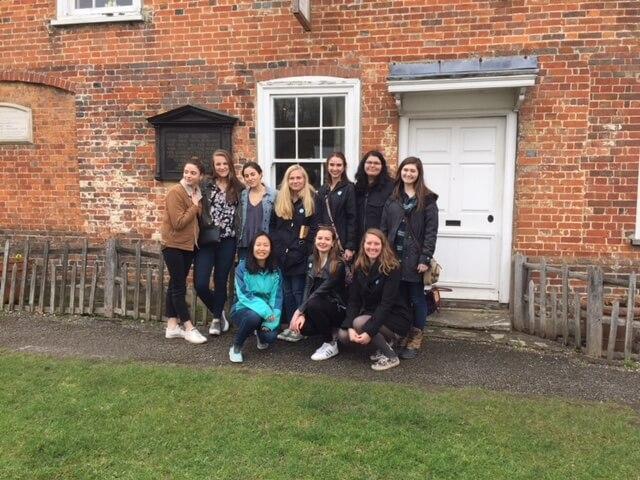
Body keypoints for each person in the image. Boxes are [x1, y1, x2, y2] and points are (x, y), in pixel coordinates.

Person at [381, 156, 439, 359]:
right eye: (405, 170)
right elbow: (384, 227)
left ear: (418, 173)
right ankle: (403, 334)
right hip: (393, 257)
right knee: (401, 298)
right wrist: (383, 254)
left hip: (415, 259)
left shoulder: (428, 200)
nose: (408, 174)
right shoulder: (393, 197)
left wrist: (424, 258)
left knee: (417, 298)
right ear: (400, 172)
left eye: (413, 171)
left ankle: (416, 336)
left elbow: (431, 232)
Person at [338, 228, 412, 371]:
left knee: (360, 323)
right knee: (343, 335)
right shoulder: (359, 266)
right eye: (369, 243)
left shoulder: (392, 267)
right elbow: (354, 301)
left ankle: (391, 356)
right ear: (363, 245)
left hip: (395, 317)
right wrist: (349, 326)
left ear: (383, 246)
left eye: (376, 244)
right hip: (373, 315)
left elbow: (386, 304)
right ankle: (383, 344)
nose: (372, 247)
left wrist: (369, 331)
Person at [194, 149, 244, 336]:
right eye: (218, 164)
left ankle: (216, 319)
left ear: (230, 164)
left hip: (228, 240)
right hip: (207, 239)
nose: (222, 167)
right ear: (214, 167)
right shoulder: (205, 185)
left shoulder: (238, 188)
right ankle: (220, 312)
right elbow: (188, 187)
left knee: (221, 280)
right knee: (200, 284)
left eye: (225, 163)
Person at [160, 159, 208, 344]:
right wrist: (195, 206)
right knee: (179, 287)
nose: (188, 175)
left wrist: (196, 204)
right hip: (173, 245)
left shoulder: (195, 192)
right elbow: (178, 223)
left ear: (200, 176)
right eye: (186, 171)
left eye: (193, 173)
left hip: (189, 245)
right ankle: (189, 327)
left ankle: (172, 327)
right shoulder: (176, 192)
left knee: (174, 284)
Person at [270, 165, 319, 342]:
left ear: (304, 179)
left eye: (299, 178)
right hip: (281, 255)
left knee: (299, 292)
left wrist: (302, 250)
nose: (295, 181)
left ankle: (300, 328)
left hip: (300, 255)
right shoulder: (281, 199)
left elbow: (313, 230)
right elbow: (274, 227)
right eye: (292, 178)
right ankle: (291, 326)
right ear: (287, 180)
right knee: (287, 292)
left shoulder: (312, 200)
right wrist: (276, 248)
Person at [289, 226, 346, 361]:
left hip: (337, 308)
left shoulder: (338, 264)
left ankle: (331, 343)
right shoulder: (311, 260)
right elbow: (308, 289)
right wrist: (302, 314)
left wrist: (299, 311)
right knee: (303, 328)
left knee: (314, 302)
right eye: (320, 238)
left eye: (327, 239)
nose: (323, 241)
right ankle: (331, 332)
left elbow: (321, 291)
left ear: (333, 243)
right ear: (315, 240)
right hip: (317, 306)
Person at [228, 232, 282, 363]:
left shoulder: (276, 271)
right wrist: (266, 312)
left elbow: (277, 299)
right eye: (258, 245)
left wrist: (271, 322)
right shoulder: (242, 267)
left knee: (270, 337)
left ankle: (260, 334)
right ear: (252, 247)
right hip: (242, 309)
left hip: (266, 314)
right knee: (253, 317)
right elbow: (244, 295)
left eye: (265, 245)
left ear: (271, 248)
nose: (262, 248)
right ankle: (236, 346)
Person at [317, 152, 357, 262]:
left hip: (342, 243)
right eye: (332, 165)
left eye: (339, 165)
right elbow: (319, 219)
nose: (335, 168)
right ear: (327, 166)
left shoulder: (349, 188)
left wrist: (350, 246)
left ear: (344, 167)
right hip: (325, 243)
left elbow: (352, 218)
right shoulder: (322, 190)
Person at [235, 161, 277, 260]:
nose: (250, 178)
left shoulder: (274, 195)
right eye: (246, 176)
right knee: (245, 274)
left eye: (253, 174)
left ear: (260, 174)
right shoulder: (242, 195)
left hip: (264, 245)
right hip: (245, 244)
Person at [354, 150, 394, 247]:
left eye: (376, 163)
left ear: (382, 166)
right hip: (360, 243)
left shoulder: (392, 187)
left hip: (381, 243)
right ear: (363, 165)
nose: (372, 166)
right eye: (369, 162)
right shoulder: (357, 187)